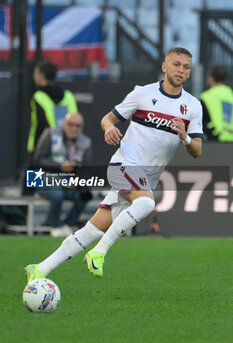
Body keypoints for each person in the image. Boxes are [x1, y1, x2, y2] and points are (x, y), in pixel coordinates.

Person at [25, 47, 203, 282]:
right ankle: (99, 252)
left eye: (186, 67)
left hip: (144, 178)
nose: (180, 70)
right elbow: (108, 118)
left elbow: (197, 151)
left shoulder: (192, 106)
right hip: (124, 164)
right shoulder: (142, 93)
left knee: (92, 229)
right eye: (176, 64)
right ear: (164, 66)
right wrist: (109, 128)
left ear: (190, 73)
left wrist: (185, 138)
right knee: (147, 203)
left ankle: (39, 269)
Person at [33, 112, 92, 237]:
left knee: (85, 193)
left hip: (68, 181)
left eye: (78, 125)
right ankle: (55, 225)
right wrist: (59, 166)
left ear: (82, 127)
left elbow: (85, 169)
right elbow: (38, 160)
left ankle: (68, 224)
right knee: (57, 193)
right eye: (70, 124)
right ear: (64, 124)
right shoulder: (50, 134)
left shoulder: (85, 142)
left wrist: (79, 180)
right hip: (43, 178)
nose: (74, 128)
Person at [27, 60, 78, 155]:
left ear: (41, 76)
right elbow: (76, 122)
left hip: (41, 146)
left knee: (37, 170)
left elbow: (41, 123)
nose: (35, 77)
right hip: (65, 146)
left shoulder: (38, 96)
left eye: (36, 74)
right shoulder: (68, 96)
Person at [200, 65, 233, 141]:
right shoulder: (230, 94)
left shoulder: (206, 96)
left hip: (215, 139)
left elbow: (202, 120)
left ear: (211, 78)